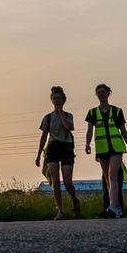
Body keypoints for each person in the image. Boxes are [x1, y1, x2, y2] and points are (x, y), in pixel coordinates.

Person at [85, 83, 127, 218]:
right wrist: (87, 144)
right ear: (96, 95)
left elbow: (123, 131)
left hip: (116, 147)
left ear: (108, 94)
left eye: (103, 92)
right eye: (99, 92)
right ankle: (116, 207)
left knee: (112, 175)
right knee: (107, 178)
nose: (101, 94)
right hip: (102, 149)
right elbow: (90, 130)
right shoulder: (92, 112)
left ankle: (112, 206)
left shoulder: (117, 111)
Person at [36, 86, 81, 219]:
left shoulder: (68, 115)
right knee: (55, 181)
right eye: (54, 98)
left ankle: (75, 200)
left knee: (67, 182)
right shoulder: (47, 118)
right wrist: (38, 154)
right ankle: (60, 211)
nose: (56, 100)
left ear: (63, 100)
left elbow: (69, 127)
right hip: (53, 148)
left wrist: (61, 113)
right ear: (51, 100)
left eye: (59, 98)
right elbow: (44, 136)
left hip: (66, 147)